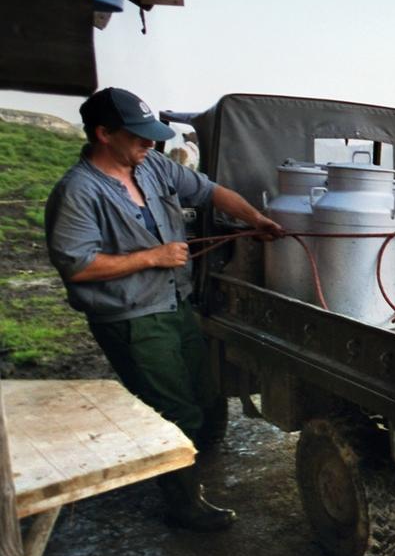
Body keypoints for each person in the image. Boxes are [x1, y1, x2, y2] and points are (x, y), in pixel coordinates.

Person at [45, 87, 284, 532]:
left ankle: (191, 464)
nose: (149, 144)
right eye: (138, 136)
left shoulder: (153, 166)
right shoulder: (78, 192)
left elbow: (212, 192)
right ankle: (182, 503)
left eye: (151, 135)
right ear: (103, 134)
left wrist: (256, 220)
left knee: (205, 392)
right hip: (131, 317)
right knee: (172, 408)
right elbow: (76, 266)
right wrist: (151, 257)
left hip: (175, 302)